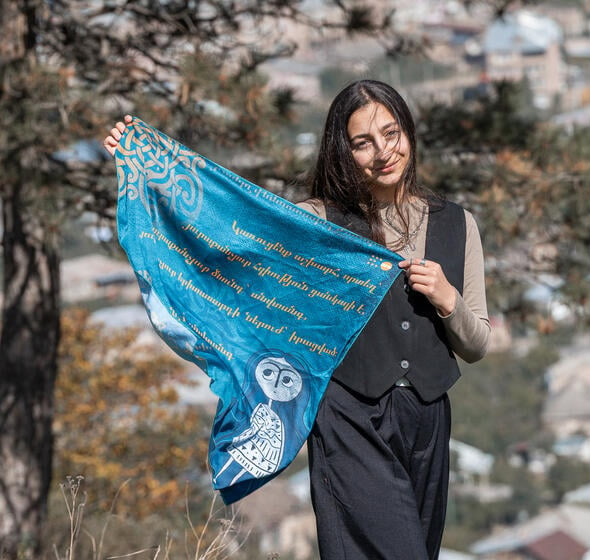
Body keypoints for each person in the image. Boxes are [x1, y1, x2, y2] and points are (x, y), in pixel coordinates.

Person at [103, 79, 491, 559]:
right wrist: (148, 162)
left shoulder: (457, 223)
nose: (383, 152)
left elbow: (476, 345)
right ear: (342, 152)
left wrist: (448, 298)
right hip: (350, 418)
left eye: (391, 134)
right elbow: (230, 226)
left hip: (427, 422)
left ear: (408, 133)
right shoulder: (315, 223)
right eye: (362, 143)